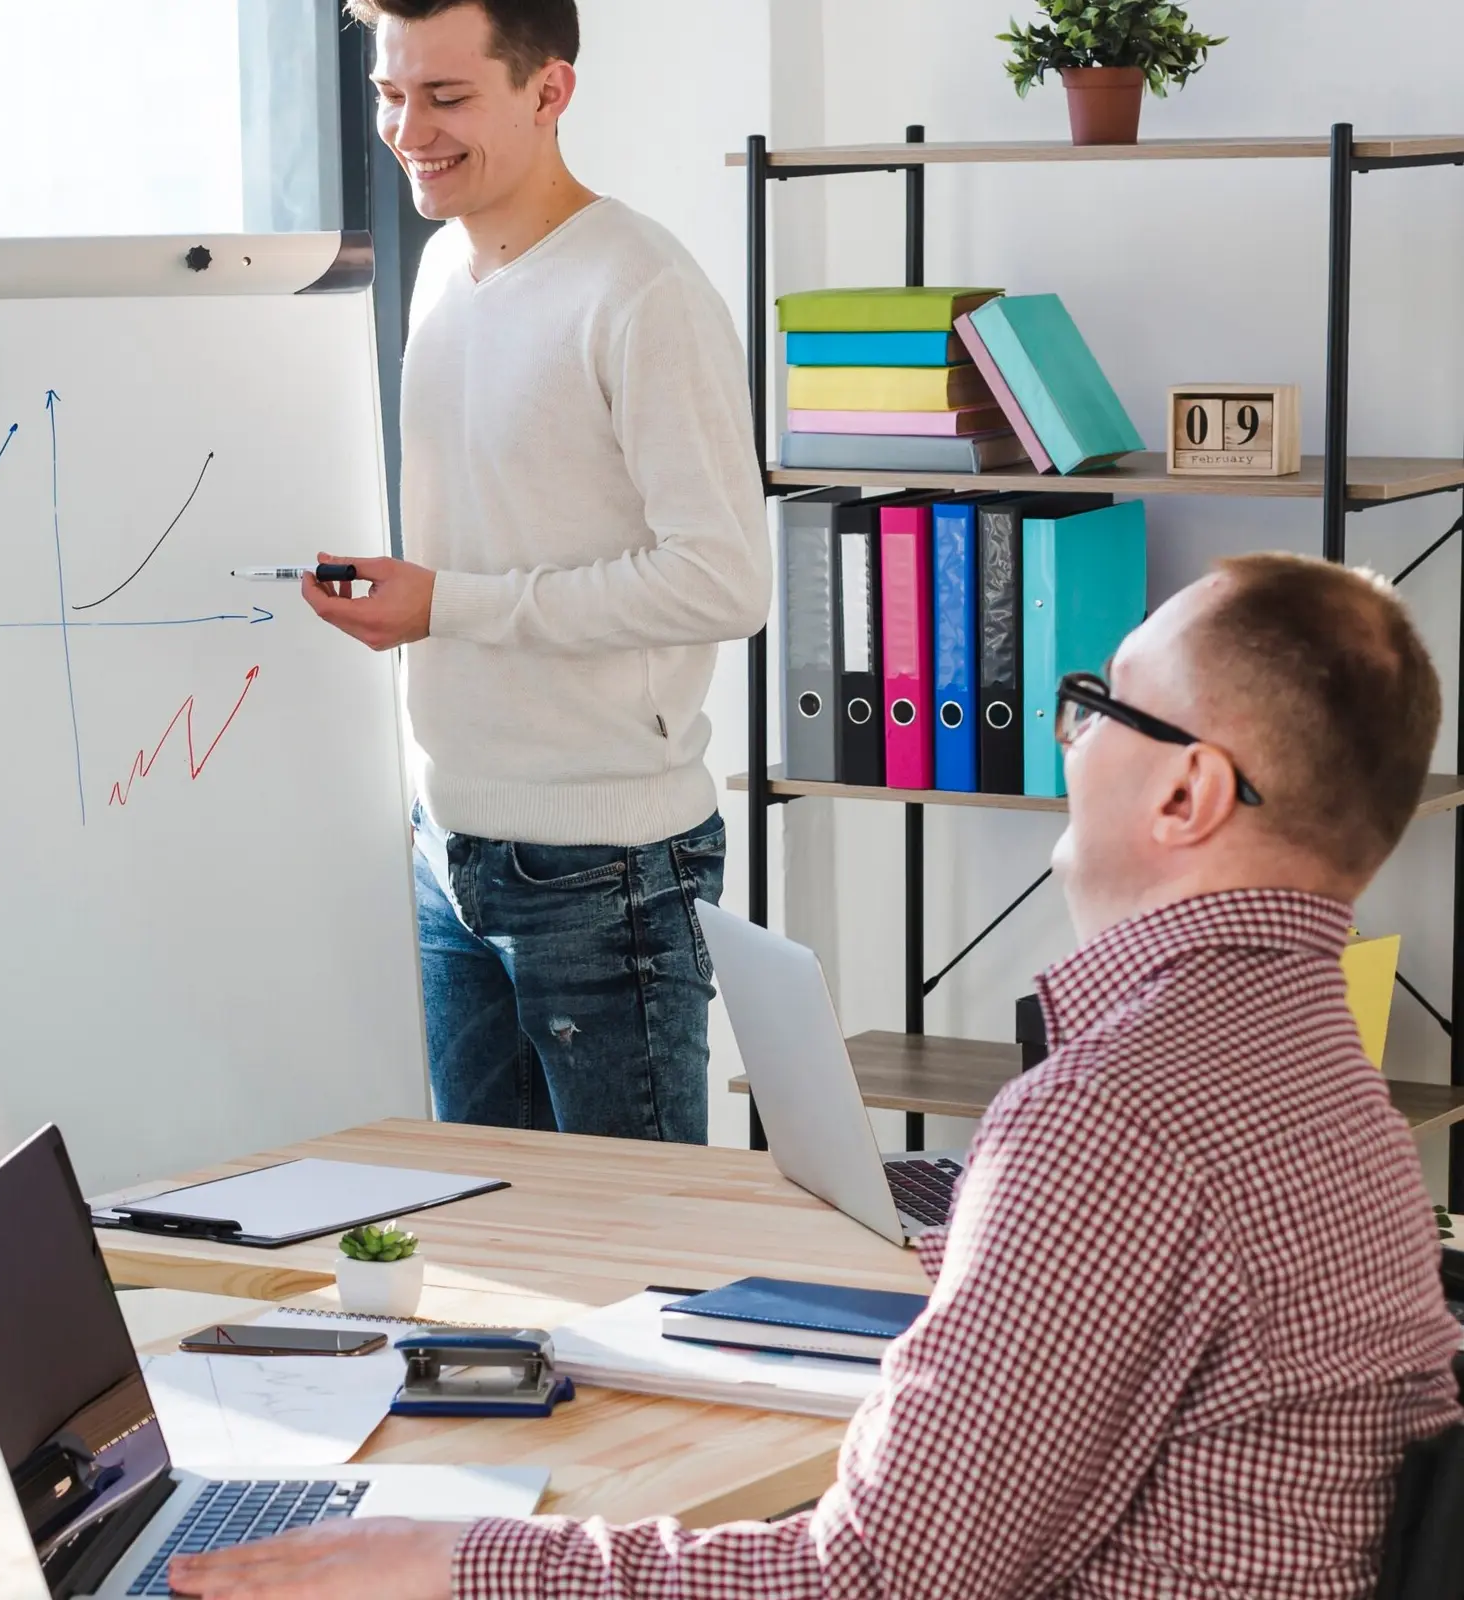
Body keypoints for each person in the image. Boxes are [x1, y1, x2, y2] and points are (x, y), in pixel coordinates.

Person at [173, 553, 1463, 1600]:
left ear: (1188, 790)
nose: (1066, 741)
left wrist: (460, 1563)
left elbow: (872, 1577)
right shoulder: (1316, 1072)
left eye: (1097, 704)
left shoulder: (1115, 1116)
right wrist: (974, 1214)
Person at [299, 0, 769, 1144]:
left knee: (638, 1272)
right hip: (448, 845)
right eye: (388, 94)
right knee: (492, 1269)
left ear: (549, 90)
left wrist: (447, 604)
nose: (408, 128)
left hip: (604, 871)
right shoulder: (441, 274)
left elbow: (723, 581)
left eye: (446, 96)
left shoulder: (642, 291)